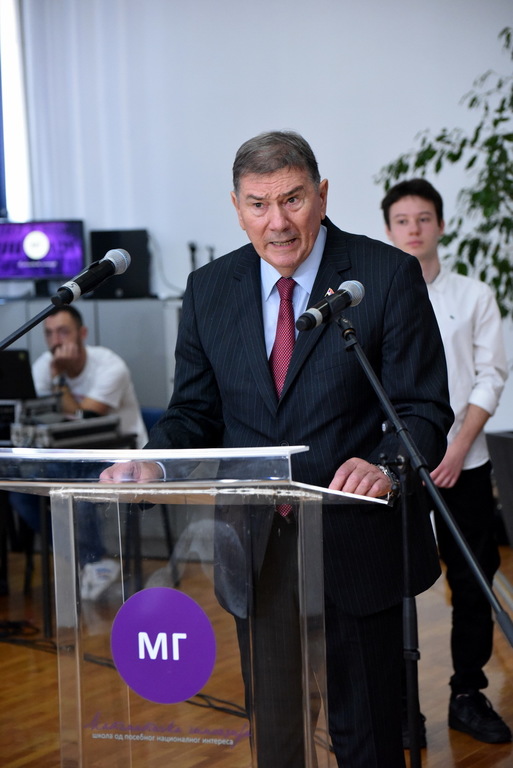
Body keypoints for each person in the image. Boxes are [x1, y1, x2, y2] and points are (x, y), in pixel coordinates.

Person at [101, 131, 452, 767]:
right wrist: (154, 461)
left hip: (354, 542)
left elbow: (421, 408)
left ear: (322, 195)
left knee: (368, 739)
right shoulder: (209, 289)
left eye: (293, 199)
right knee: (279, 740)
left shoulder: (384, 275)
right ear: (236, 208)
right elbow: (194, 412)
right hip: (257, 548)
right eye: (258, 204)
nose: (278, 222)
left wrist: (385, 466)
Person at [382, 178, 511, 745]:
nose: (414, 229)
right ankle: (399, 706)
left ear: (440, 224)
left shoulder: (474, 295)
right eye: (402, 220)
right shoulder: (378, 294)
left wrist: (456, 448)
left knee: (472, 578)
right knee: (391, 584)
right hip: (395, 465)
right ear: (388, 229)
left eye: (423, 218)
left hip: (465, 460)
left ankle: (467, 693)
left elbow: (491, 376)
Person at [10, 305, 148, 600]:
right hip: (68, 455)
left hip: (118, 453)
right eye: (49, 334)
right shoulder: (43, 367)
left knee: (81, 489)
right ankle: (83, 557)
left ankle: (93, 561)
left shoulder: (110, 365)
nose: (55, 341)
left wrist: (60, 381)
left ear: (82, 333)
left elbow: (86, 419)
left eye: (63, 332)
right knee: (21, 492)